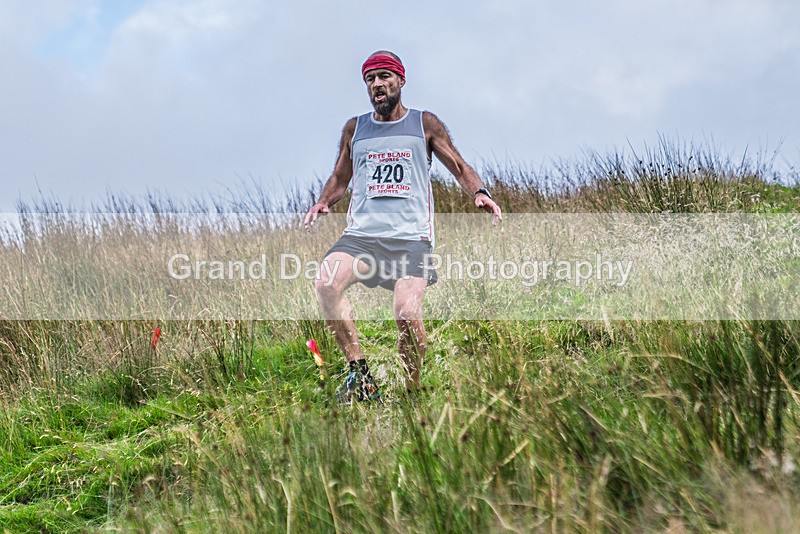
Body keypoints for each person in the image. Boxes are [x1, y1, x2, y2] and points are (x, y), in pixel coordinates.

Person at [303, 50, 501, 403]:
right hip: (362, 236)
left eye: (384, 77)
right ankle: (361, 377)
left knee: (408, 314)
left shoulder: (424, 124)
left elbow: (459, 166)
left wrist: (479, 192)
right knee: (326, 284)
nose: (377, 85)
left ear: (400, 80)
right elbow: (340, 176)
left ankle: (412, 390)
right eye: (370, 79)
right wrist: (323, 202)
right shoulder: (355, 128)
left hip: (411, 240)